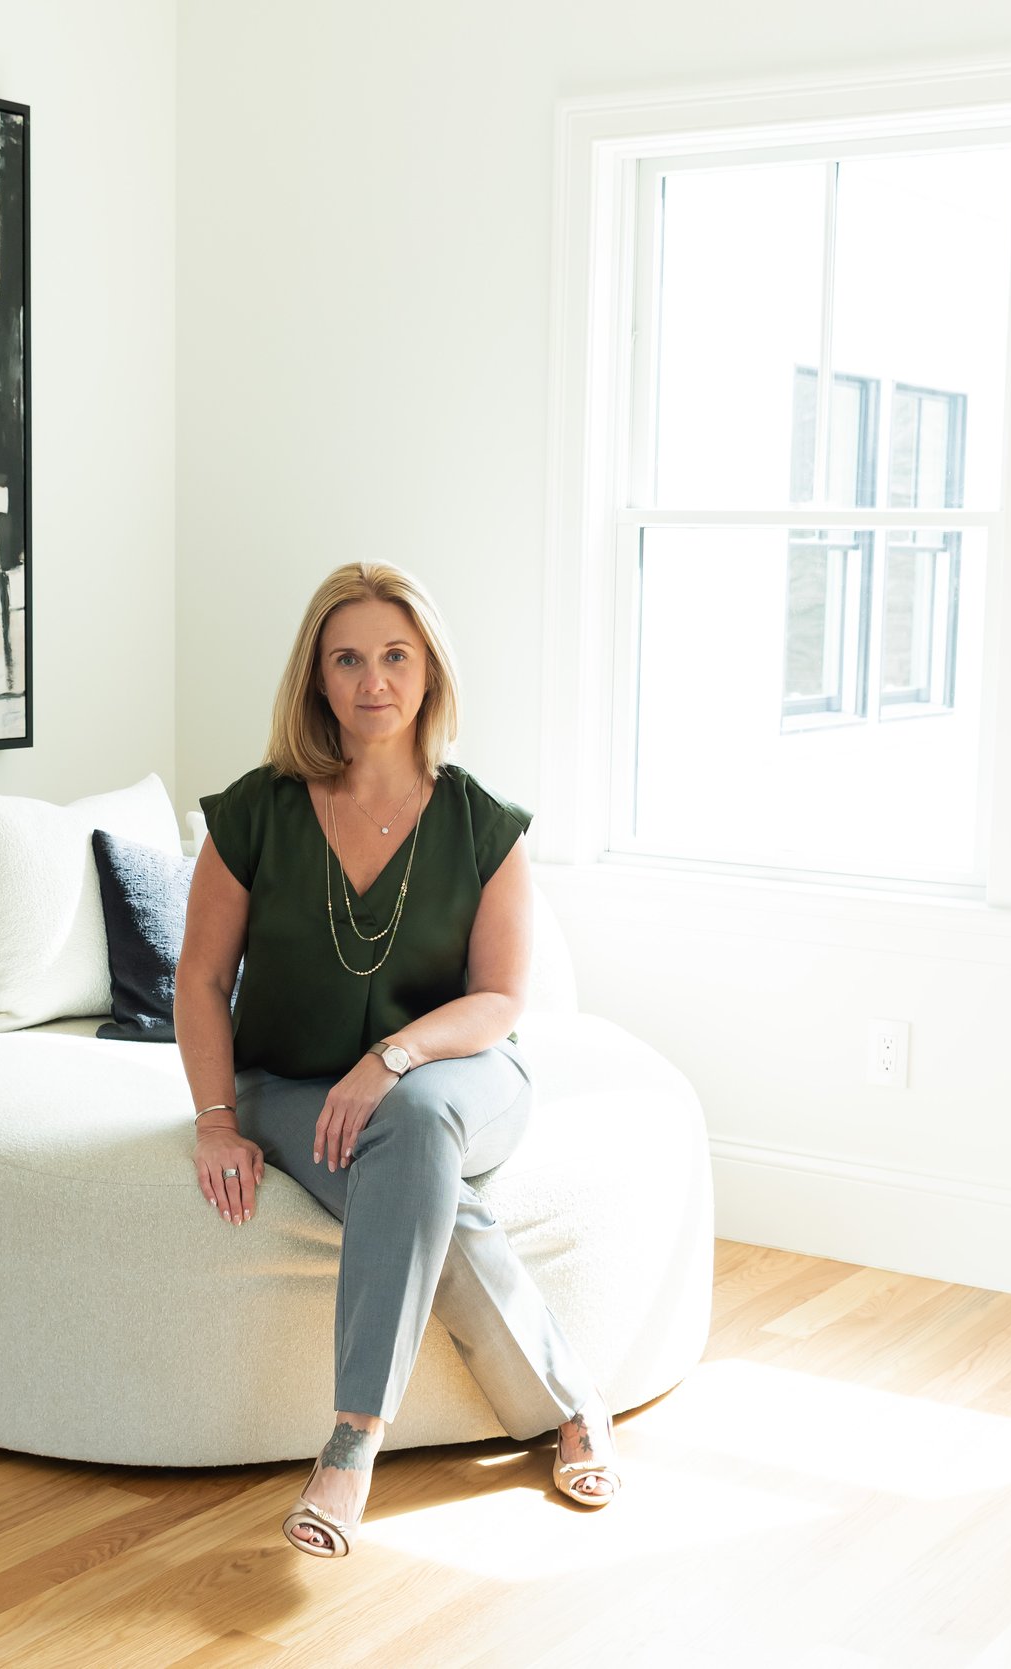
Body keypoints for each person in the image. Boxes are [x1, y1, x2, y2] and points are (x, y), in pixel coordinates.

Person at [173, 560, 623, 1560]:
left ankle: (350, 1443)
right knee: (424, 1187)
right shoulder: (255, 812)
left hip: (462, 1074)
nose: (372, 680)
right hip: (287, 1086)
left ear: (428, 673)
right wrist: (213, 1121)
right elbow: (201, 979)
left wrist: (394, 1054)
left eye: (394, 656)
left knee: (415, 1121)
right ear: (315, 680)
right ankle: (574, 1403)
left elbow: (503, 997)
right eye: (347, 659)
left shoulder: (481, 822)